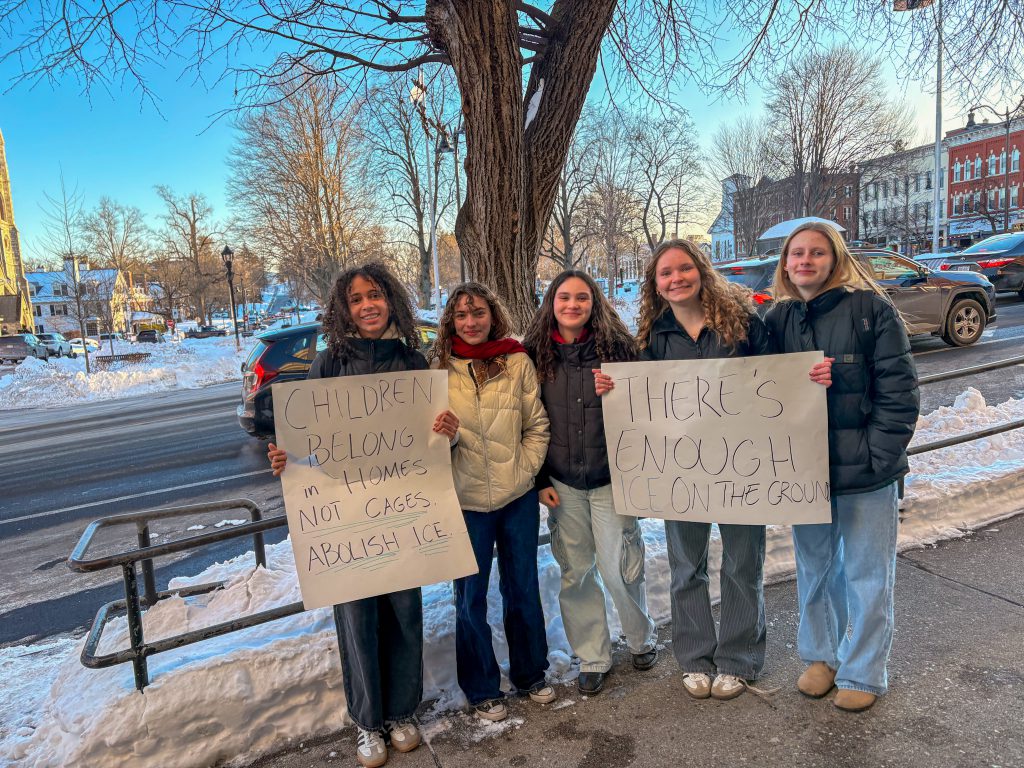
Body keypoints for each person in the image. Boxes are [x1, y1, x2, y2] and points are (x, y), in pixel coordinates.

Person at [267, 262, 458, 768]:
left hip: (402, 515)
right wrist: (287, 459)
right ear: (343, 309)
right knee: (356, 618)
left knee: (403, 612)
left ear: (391, 300)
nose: (368, 305)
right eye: (356, 299)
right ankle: (367, 722)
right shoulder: (328, 365)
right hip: (346, 518)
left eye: (375, 295)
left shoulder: (413, 364)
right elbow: (306, 443)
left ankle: (401, 713)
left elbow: (433, 447)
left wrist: (447, 430)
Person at [765, 222, 918, 712]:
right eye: (796, 254)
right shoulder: (777, 319)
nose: (805, 261)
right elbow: (750, 382)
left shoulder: (871, 310)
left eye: (816, 253)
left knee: (868, 573)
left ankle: (864, 671)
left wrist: (879, 456)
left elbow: (899, 392)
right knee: (814, 570)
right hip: (805, 470)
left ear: (835, 259)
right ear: (785, 264)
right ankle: (821, 657)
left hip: (867, 471)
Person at [629, 239, 784, 702]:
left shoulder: (742, 324)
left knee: (742, 563)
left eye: (684, 268)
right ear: (655, 284)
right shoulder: (653, 336)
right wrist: (612, 388)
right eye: (665, 273)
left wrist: (808, 379)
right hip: (684, 472)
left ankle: (738, 659)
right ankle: (694, 657)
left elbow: (777, 382)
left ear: (701, 270)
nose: (676, 278)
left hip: (742, 466)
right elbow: (641, 404)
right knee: (685, 567)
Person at [522, 270, 658, 696]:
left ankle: (641, 637)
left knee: (619, 568)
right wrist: (540, 478)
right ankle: (594, 656)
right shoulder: (535, 356)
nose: (573, 305)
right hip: (561, 483)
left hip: (611, 479)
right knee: (576, 572)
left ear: (595, 302)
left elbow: (651, 405)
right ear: (552, 302)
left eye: (582, 297)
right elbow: (527, 422)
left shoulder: (620, 352)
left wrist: (623, 389)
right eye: (564, 297)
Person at [429, 281, 553, 722]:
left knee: (522, 586)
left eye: (478, 312)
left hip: (516, 495)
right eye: (461, 316)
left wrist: (525, 470)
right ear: (451, 321)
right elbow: (426, 442)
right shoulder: (438, 369)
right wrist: (445, 437)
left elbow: (537, 424)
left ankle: (531, 673)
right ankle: (482, 688)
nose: (471, 322)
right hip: (464, 501)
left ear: (492, 314)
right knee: (470, 597)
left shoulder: (516, 360)